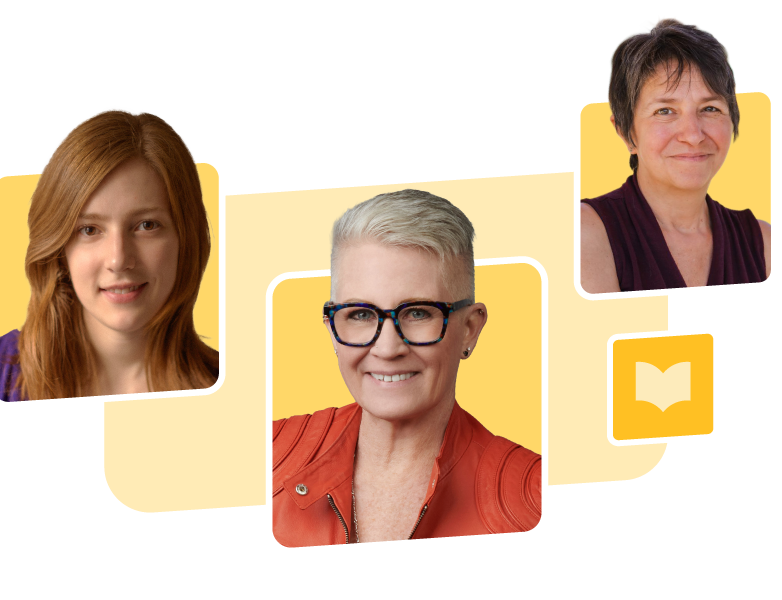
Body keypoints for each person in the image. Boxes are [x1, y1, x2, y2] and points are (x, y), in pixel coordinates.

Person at [272, 189, 541, 546]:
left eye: (418, 313)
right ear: (332, 329)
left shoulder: (537, 500)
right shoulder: (260, 453)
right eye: (361, 314)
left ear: (469, 329)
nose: (387, 348)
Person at [0, 109, 218, 401]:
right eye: (89, 230)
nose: (118, 259)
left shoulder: (245, 391)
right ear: (60, 250)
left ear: (185, 237)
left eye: (146, 225)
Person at [581, 18, 771, 293]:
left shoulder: (764, 244)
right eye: (665, 111)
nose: (693, 135)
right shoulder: (585, 231)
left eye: (710, 108)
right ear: (625, 132)